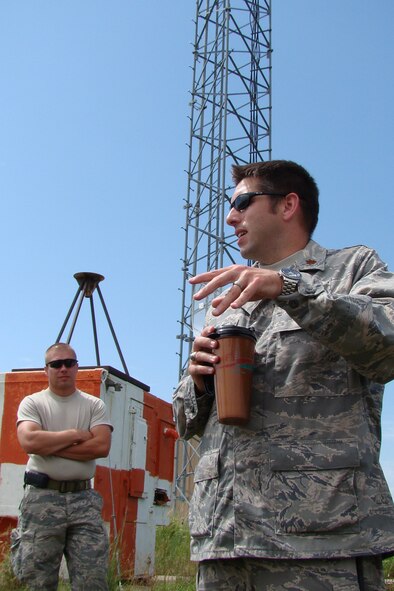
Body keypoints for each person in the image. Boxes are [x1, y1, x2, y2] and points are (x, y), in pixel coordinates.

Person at [173, 160, 394, 591]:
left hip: (317, 540)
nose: (229, 217)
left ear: (288, 204)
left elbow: (386, 345)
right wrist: (198, 380)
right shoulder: (229, 302)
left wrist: (289, 287)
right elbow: (184, 422)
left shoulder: (352, 268)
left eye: (241, 202)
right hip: (224, 538)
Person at [11, 342, 113, 591]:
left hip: (84, 501)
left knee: (92, 582)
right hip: (42, 500)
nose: (63, 368)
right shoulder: (32, 403)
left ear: (77, 367)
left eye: (69, 363)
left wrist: (50, 444)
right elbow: (30, 441)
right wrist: (75, 434)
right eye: (56, 364)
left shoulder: (94, 406)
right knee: (36, 580)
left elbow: (100, 447)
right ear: (46, 370)